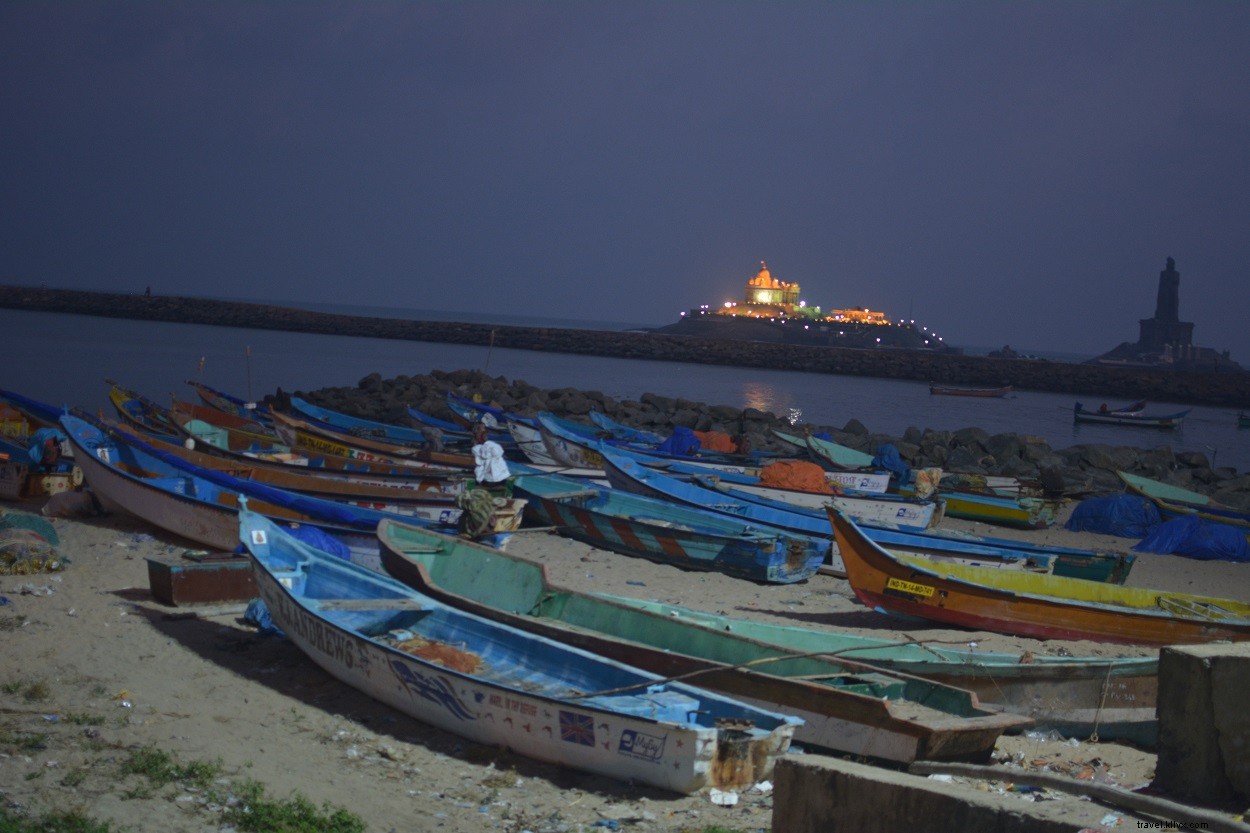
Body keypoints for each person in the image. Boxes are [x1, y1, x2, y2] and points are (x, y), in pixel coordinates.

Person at [470, 423, 510, 490]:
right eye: (482, 431)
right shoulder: (489, 446)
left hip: (491, 480)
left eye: (483, 431)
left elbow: (480, 463)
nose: (484, 433)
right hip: (500, 479)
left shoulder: (484, 447)